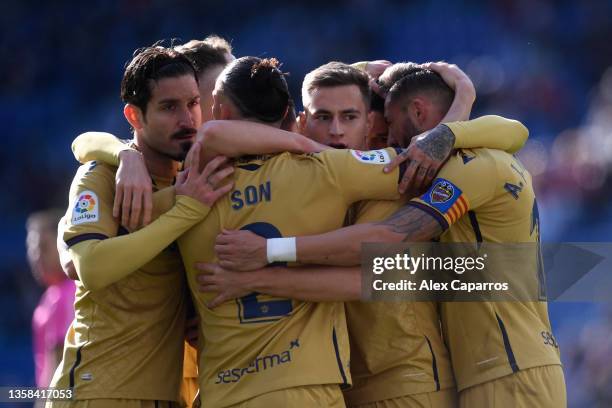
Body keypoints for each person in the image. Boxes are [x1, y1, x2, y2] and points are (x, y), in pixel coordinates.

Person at [211, 62, 566, 407]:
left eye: (386, 130)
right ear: (303, 121)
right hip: (437, 375)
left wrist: (268, 258)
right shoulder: (322, 178)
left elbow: (376, 262)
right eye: (323, 117)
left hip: (473, 372)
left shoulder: (422, 176)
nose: (389, 145)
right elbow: (215, 134)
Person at [48, 45, 235, 408]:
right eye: (169, 107)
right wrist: (182, 208)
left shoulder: (199, 178)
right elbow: (91, 267)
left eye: (193, 103)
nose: (188, 119)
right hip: (98, 391)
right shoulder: (101, 176)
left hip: (171, 395)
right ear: (134, 116)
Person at [27, 209, 76, 388]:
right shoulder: (52, 296)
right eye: (32, 249)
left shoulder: (63, 296)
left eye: (44, 247)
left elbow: (58, 366)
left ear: (62, 246)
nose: (37, 257)